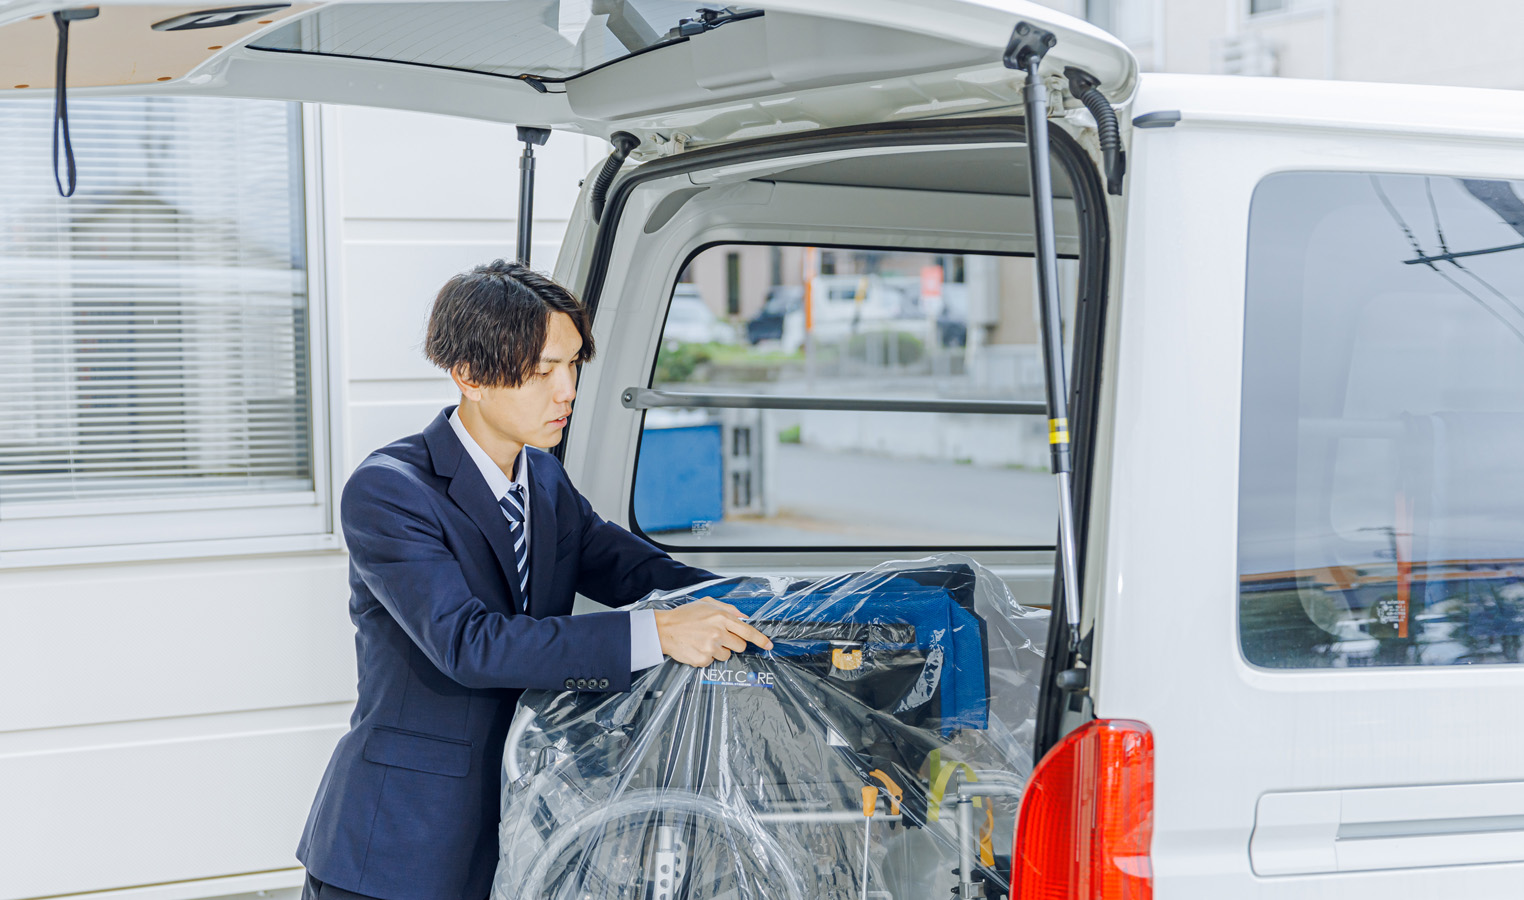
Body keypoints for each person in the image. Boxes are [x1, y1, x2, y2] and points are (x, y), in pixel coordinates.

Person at [296, 260, 772, 900]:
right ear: (469, 374)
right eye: (543, 370)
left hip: (524, 822)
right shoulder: (389, 491)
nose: (567, 390)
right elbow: (470, 643)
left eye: (573, 366)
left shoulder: (544, 480)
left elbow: (637, 568)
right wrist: (656, 633)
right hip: (400, 842)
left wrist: (775, 603)